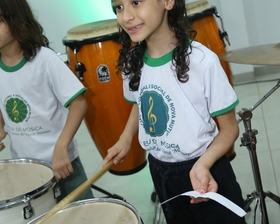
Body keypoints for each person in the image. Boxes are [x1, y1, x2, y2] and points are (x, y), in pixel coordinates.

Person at [103, 0, 246, 223]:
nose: (126, 16)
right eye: (118, 7)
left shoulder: (202, 61)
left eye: (136, 2)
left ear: (168, 2)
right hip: (160, 169)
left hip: (204, 165)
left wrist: (204, 163)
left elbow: (230, 129)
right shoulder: (132, 62)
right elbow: (140, 103)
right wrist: (125, 139)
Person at [0, 0, 93, 203]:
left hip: (62, 163)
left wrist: (61, 146)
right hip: (26, 168)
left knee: (82, 216)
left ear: (18, 22)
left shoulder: (44, 60)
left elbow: (79, 103)